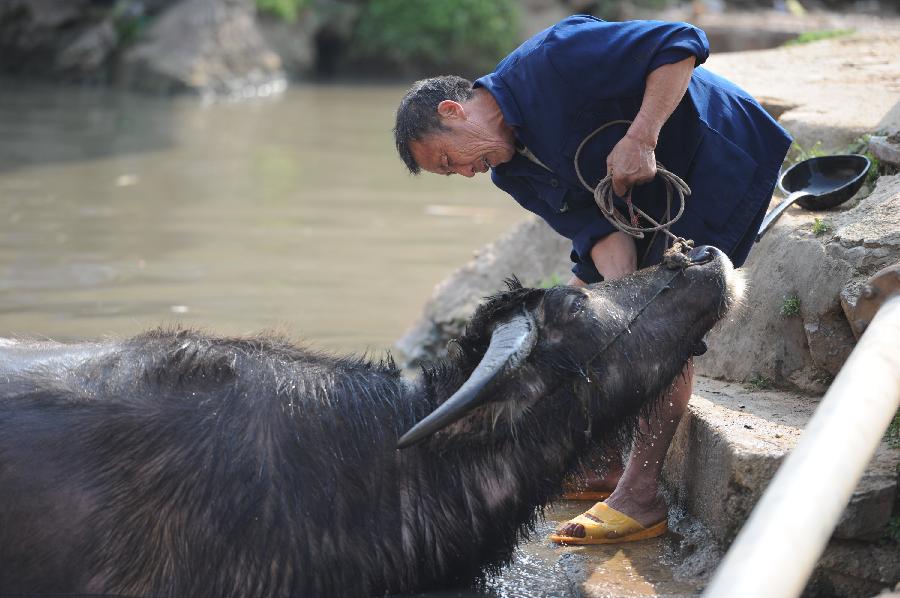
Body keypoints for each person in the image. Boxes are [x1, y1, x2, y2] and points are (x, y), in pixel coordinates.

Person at [392, 15, 791, 544]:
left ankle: (641, 495)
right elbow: (597, 230)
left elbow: (681, 44)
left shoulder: (554, 58)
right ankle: (600, 463)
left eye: (451, 160)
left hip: (716, 155)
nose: (467, 173)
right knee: (593, 315)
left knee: (665, 329)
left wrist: (641, 136)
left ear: (453, 110)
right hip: (640, 205)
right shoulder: (511, 172)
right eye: (453, 174)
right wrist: (620, 300)